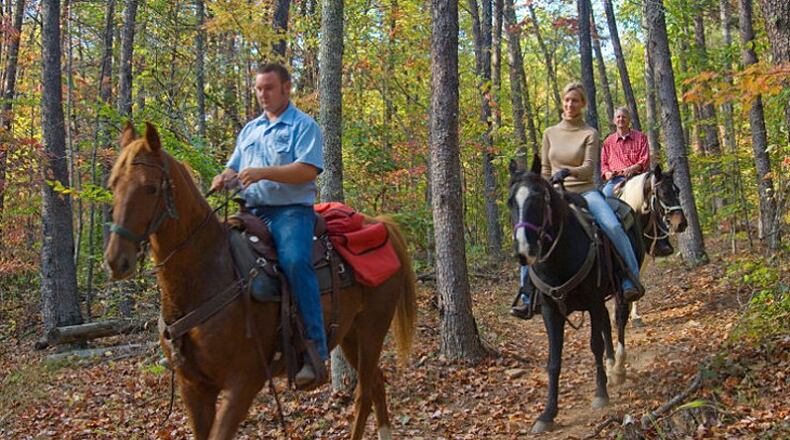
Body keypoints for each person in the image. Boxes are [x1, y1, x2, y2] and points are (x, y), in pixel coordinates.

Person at [211, 63, 327, 387]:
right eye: (259, 88)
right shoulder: (250, 130)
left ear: (286, 88)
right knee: (216, 256)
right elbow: (234, 168)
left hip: (290, 212)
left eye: (269, 88)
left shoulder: (304, 126)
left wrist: (263, 172)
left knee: (294, 262)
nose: (263, 94)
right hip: (250, 210)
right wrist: (224, 178)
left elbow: (307, 169)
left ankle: (315, 352)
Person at [512, 83, 643, 319]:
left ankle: (629, 279)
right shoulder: (549, 133)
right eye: (567, 100)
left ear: (583, 104)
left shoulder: (589, 133)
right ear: (562, 102)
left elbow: (587, 169)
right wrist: (542, 189)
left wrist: (568, 173)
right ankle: (527, 294)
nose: (570, 104)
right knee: (528, 228)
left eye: (575, 100)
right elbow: (544, 168)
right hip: (553, 192)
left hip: (585, 192)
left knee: (612, 225)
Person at [600, 107, 649, 197]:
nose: (621, 119)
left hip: (637, 178)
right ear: (614, 120)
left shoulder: (641, 137)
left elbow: (644, 160)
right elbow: (604, 165)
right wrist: (608, 174)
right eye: (618, 117)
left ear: (629, 120)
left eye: (624, 117)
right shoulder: (608, 142)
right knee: (604, 198)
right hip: (615, 180)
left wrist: (631, 169)